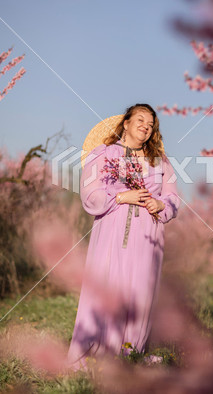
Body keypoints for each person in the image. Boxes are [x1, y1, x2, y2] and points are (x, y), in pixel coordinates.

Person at [67, 103, 180, 371]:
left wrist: (161, 205)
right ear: (126, 123)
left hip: (149, 234)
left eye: (151, 124)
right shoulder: (104, 154)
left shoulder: (160, 161)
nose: (146, 126)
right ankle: (97, 350)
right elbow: (90, 193)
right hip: (112, 228)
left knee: (140, 290)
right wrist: (121, 197)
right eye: (140, 120)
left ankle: (131, 352)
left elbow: (173, 196)